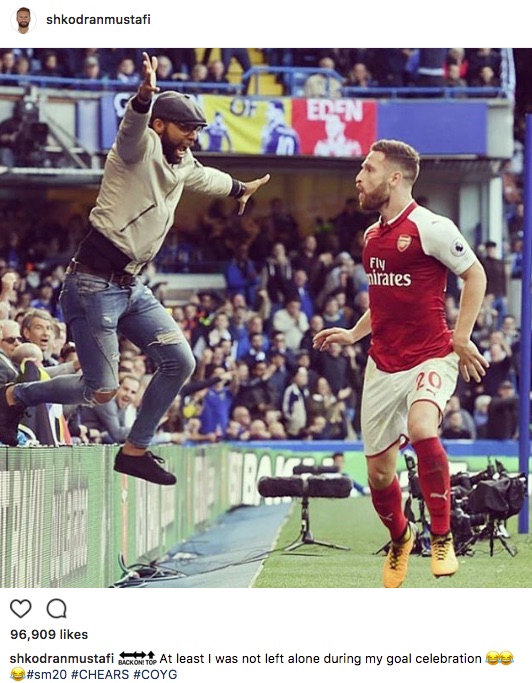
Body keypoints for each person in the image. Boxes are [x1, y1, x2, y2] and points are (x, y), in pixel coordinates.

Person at [0, 52, 270, 486]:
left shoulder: (181, 162)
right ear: (160, 125)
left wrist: (240, 188)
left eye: (197, 132)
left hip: (130, 286)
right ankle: (15, 396)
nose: (192, 139)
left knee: (181, 361)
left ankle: (135, 450)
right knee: (100, 390)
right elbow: (130, 130)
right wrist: (143, 98)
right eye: (187, 129)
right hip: (91, 284)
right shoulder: (135, 149)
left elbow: (208, 178)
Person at [313, 139, 488, 588]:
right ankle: (401, 537)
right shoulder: (372, 236)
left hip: (432, 354)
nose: (359, 176)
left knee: (425, 428)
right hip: (383, 364)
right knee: (379, 474)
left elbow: (475, 274)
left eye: (368, 169)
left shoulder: (431, 226)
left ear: (394, 177)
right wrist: (354, 333)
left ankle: (442, 535)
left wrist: (462, 335)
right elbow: (385, 301)